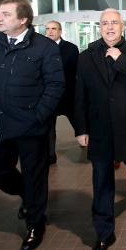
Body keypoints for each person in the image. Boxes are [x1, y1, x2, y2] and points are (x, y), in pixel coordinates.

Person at [0, 0, 64, 250]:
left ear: (22, 20)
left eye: (5, 14)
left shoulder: (44, 48)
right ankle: (30, 196)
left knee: (35, 176)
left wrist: (39, 115)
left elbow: (55, 85)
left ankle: (35, 223)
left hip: (31, 128)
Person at [74, 9, 126, 250]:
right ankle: (104, 234)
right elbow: (80, 95)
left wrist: (121, 60)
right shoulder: (86, 57)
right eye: (105, 23)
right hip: (99, 130)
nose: (109, 27)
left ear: (122, 26)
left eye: (114, 23)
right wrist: (81, 129)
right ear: (99, 27)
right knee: (101, 181)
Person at [44, 20, 79, 165]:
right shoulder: (40, 48)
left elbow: (77, 72)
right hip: (49, 96)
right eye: (48, 29)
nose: (50, 31)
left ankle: (86, 141)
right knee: (49, 128)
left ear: (60, 31)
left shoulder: (71, 48)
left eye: (54, 28)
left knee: (78, 122)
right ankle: (50, 155)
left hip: (68, 95)